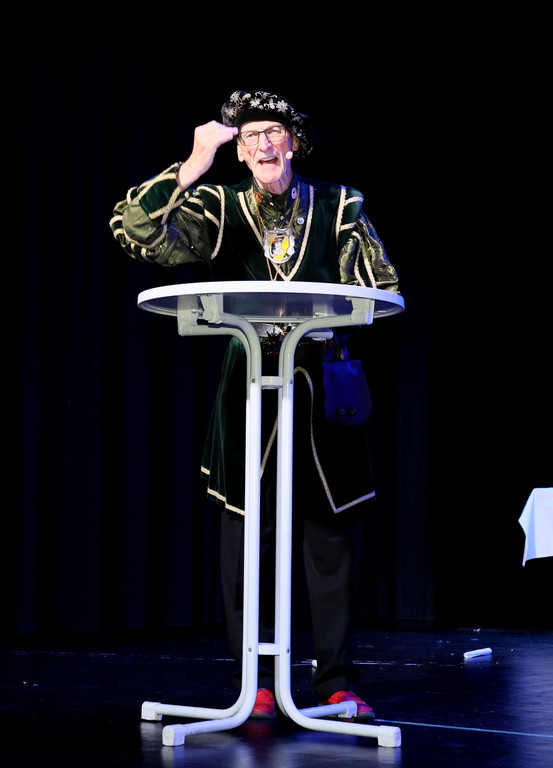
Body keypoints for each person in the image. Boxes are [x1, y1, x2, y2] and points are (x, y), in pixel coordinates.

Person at [110, 89, 400, 720]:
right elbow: (136, 232)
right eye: (249, 137)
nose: (263, 144)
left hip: (322, 381)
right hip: (249, 383)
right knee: (247, 534)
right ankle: (258, 682)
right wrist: (194, 163)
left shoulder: (340, 205)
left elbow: (380, 286)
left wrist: (324, 316)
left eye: (273, 133)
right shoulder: (223, 205)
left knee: (329, 536)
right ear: (239, 152)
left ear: (294, 141)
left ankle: (334, 681)